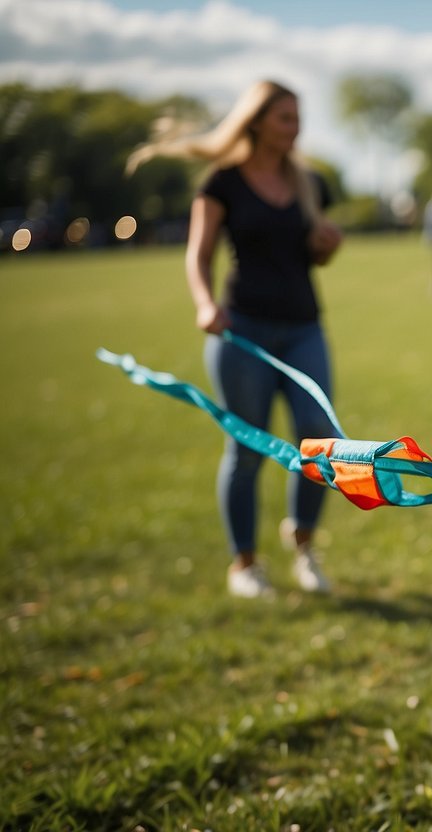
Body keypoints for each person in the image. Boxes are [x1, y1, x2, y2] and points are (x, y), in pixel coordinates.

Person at [128, 80, 344, 597]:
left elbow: (314, 255)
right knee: (247, 449)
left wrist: (327, 246)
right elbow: (198, 254)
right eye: (285, 118)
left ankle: (305, 545)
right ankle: (245, 565)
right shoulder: (222, 183)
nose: (296, 127)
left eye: (299, 117)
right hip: (242, 331)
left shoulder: (310, 182)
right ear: (256, 122)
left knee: (321, 439)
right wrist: (206, 304)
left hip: (303, 328)